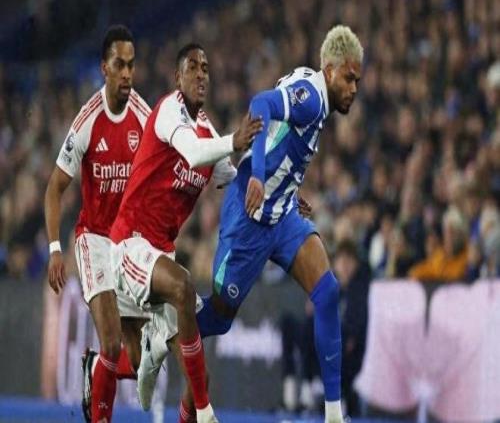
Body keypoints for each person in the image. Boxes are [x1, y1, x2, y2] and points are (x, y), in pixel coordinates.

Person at [189, 24, 363, 423]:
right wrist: (257, 176)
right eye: (349, 78)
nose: (354, 88)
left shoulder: (318, 102)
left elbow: (282, 138)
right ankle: (161, 332)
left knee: (327, 292)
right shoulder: (311, 98)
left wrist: (287, 186)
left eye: (358, 80)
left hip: (282, 215)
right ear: (330, 70)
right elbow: (261, 104)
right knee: (217, 318)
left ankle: (334, 415)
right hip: (249, 216)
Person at [109, 42, 263, 423]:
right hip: (129, 244)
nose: (200, 74)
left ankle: (143, 361)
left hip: (161, 254)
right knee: (183, 285)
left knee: (198, 381)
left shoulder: (207, 130)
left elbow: (235, 180)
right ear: (177, 77)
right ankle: (208, 414)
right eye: (192, 67)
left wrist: (279, 194)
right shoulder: (168, 111)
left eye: (205, 68)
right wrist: (233, 141)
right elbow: (193, 153)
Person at [45, 25, 151, 423]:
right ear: (104, 68)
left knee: (139, 361)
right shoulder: (87, 122)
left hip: (129, 243)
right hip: (94, 240)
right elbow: (54, 189)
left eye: (131, 65)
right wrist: (55, 249)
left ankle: (95, 370)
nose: (127, 74)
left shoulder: (145, 117)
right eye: (119, 65)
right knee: (111, 343)